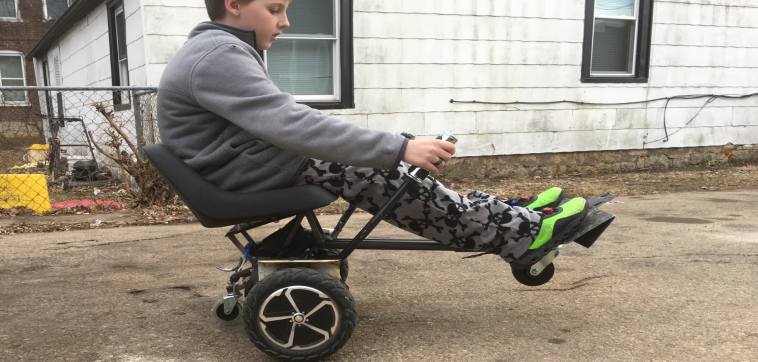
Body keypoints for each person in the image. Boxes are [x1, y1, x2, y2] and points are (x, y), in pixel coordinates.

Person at [156, 0, 589, 263]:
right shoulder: (218, 55)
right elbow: (291, 124)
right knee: (380, 169)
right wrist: (398, 148)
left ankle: (507, 213)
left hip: (249, 165)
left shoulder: (219, 50)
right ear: (234, 5)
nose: (285, 21)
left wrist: (396, 148)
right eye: (274, 9)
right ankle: (523, 234)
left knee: (390, 162)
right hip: (240, 176)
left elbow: (285, 121)